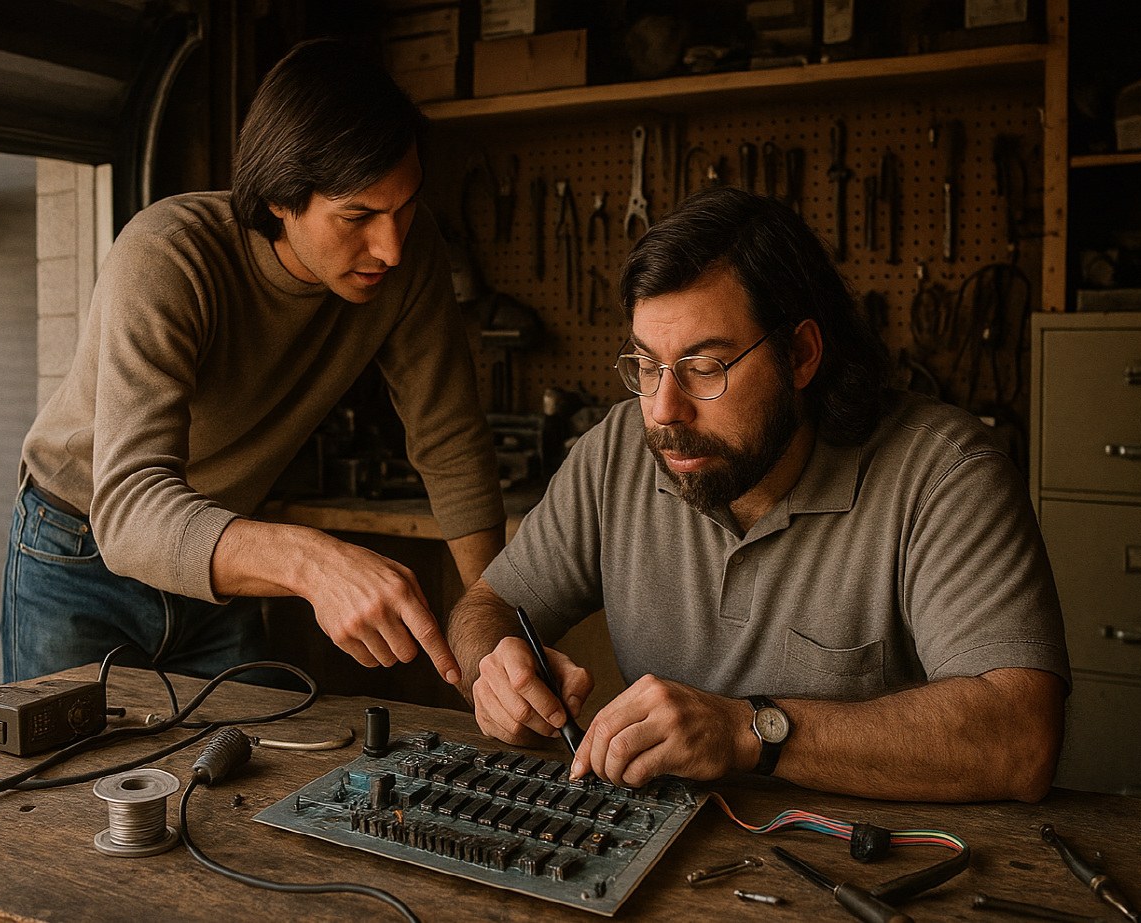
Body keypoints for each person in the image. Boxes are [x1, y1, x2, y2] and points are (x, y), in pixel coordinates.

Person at [447, 186, 1069, 804]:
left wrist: (751, 731)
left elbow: (1020, 740)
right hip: (665, 854)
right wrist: (496, 669)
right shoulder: (617, 450)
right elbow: (485, 607)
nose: (664, 409)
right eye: (646, 364)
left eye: (704, 366)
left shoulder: (945, 475)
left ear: (799, 355)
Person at [2, 38, 505, 685]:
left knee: (257, 776)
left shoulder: (413, 255)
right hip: (79, 549)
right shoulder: (167, 255)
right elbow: (127, 513)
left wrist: (492, 623)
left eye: (403, 208)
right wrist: (312, 562)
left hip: (218, 555)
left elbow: (450, 441)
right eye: (357, 215)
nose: (390, 247)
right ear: (278, 196)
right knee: (68, 783)